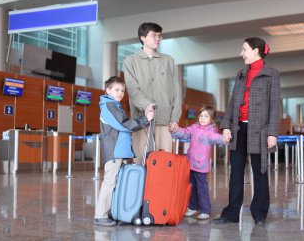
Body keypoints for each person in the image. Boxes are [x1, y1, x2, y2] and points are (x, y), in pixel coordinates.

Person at [213, 37, 281, 226]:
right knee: (235, 172)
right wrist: (226, 126)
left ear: (256, 50)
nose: (241, 53)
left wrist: (272, 132)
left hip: (260, 130)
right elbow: (232, 102)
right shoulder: (241, 74)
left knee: (260, 172)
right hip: (238, 128)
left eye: (244, 49)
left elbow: (275, 105)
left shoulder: (272, 74)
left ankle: (259, 213)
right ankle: (231, 213)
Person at [93, 76, 154, 227]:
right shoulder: (109, 106)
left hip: (118, 152)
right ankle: (100, 215)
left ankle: (111, 212)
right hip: (114, 152)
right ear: (107, 90)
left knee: (114, 182)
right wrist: (145, 119)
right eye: (117, 90)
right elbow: (124, 124)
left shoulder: (114, 105)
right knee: (109, 182)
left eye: (122, 90)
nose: (120, 93)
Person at [123, 22, 182, 163]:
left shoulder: (168, 61)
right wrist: (146, 105)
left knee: (164, 165)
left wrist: (175, 117)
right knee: (141, 164)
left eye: (159, 35)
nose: (158, 38)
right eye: (154, 35)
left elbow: (177, 92)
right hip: (142, 121)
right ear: (143, 37)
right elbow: (132, 89)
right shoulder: (130, 61)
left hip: (164, 121)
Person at [172, 105, 229, 220]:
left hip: (201, 165)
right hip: (191, 163)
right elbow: (184, 133)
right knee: (191, 186)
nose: (202, 118)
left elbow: (217, 138)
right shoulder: (194, 128)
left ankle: (205, 210)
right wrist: (176, 130)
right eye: (201, 115)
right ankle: (193, 207)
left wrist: (224, 138)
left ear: (211, 119)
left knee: (202, 187)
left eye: (206, 116)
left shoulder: (210, 132)